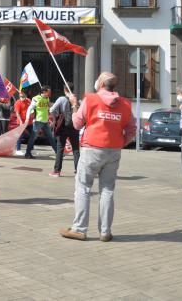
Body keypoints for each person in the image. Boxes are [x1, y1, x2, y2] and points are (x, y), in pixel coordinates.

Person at [60, 72, 136, 242]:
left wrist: (74, 105)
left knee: (83, 188)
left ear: (100, 84)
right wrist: (120, 142)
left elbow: (77, 123)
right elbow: (132, 129)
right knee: (107, 190)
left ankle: (79, 228)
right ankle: (105, 231)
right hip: (114, 150)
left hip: (91, 149)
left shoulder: (91, 99)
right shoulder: (125, 104)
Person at [49, 85, 81, 177]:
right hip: (74, 126)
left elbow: (52, 110)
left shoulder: (62, 99)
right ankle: (78, 171)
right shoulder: (76, 99)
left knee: (60, 148)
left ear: (65, 90)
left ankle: (57, 171)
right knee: (75, 149)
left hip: (63, 126)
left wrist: (55, 118)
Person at [27, 86, 56, 157]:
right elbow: (30, 108)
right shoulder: (36, 98)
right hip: (37, 121)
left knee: (51, 137)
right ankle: (27, 153)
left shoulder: (47, 99)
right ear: (44, 92)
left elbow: (47, 109)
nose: (50, 93)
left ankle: (58, 153)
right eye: (49, 92)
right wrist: (27, 118)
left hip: (45, 121)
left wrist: (51, 118)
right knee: (33, 137)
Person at [14, 90, 34, 157]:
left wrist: (32, 116)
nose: (21, 97)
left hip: (29, 122)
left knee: (32, 135)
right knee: (20, 136)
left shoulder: (29, 101)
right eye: (20, 96)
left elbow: (32, 110)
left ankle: (30, 149)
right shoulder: (18, 102)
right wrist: (20, 121)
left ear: (25, 95)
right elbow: (17, 113)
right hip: (21, 122)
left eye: (23, 96)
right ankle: (18, 150)